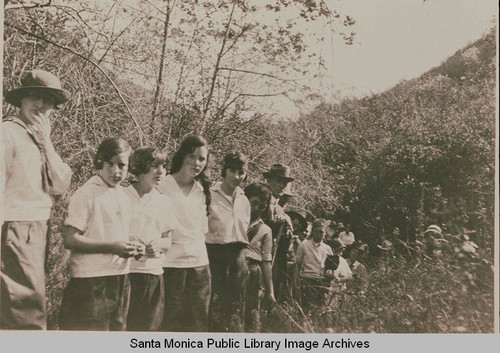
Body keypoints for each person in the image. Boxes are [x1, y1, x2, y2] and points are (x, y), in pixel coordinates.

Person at [1, 69, 72, 329]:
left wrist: (48, 143)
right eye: (33, 97)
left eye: (47, 100)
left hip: (38, 228)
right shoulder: (8, 132)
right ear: (21, 101)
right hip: (14, 228)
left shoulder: (40, 138)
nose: (40, 105)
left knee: (31, 307)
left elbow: (61, 185)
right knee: (22, 314)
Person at [58, 138, 138, 330]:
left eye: (122, 165)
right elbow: (71, 238)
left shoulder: (123, 195)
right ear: (100, 162)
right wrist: (111, 246)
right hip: (91, 280)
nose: (116, 171)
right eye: (110, 163)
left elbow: (118, 234)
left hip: (120, 277)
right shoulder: (88, 193)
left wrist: (135, 245)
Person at [157, 135, 211, 332]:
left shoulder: (203, 189)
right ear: (182, 156)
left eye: (202, 159)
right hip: (170, 264)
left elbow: (202, 228)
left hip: (199, 266)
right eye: (192, 156)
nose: (197, 163)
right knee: (170, 324)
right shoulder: (162, 185)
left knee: (197, 325)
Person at [125, 147, 177, 331]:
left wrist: (158, 245)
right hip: (124, 274)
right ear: (139, 168)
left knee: (147, 331)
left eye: (163, 166)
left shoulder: (165, 202)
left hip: (153, 274)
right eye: (154, 166)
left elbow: (168, 241)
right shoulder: (122, 196)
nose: (160, 171)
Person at [205, 152, 250, 331]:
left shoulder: (244, 199)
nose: (236, 176)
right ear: (224, 171)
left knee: (233, 306)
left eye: (241, 172)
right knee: (214, 304)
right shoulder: (209, 195)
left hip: (237, 257)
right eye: (232, 171)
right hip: (214, 255)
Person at [243, 182, 275, 332]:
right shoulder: (235, 221)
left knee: (250, 312)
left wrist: (270, 291)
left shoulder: (265, 230)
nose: (256, 209)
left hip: (253, 274)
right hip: (232, 270)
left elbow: (266, 263)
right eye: (253, 203)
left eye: (261, 206)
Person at [262, 163, 294, 302]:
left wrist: (287, 234)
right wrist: (276, 222)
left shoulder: (280, 209)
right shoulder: (260, 201)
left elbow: (283, 244)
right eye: (279, 181)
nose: (282, 186)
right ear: (269, 181)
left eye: (284, 183)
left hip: (273, 260)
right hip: (257, 257)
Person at [296, 218, 333, 309]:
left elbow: (331, 267)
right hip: (307, 280)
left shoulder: (327, 248)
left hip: (321, 281)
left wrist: (329, 272)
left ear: (324, 234)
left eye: (321, 232)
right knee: (306, 307)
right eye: (316, 231)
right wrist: (296, 282)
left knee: (319, 308)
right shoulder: (304, 245)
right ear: (312, 232)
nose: (319, 234)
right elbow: (297, 264)